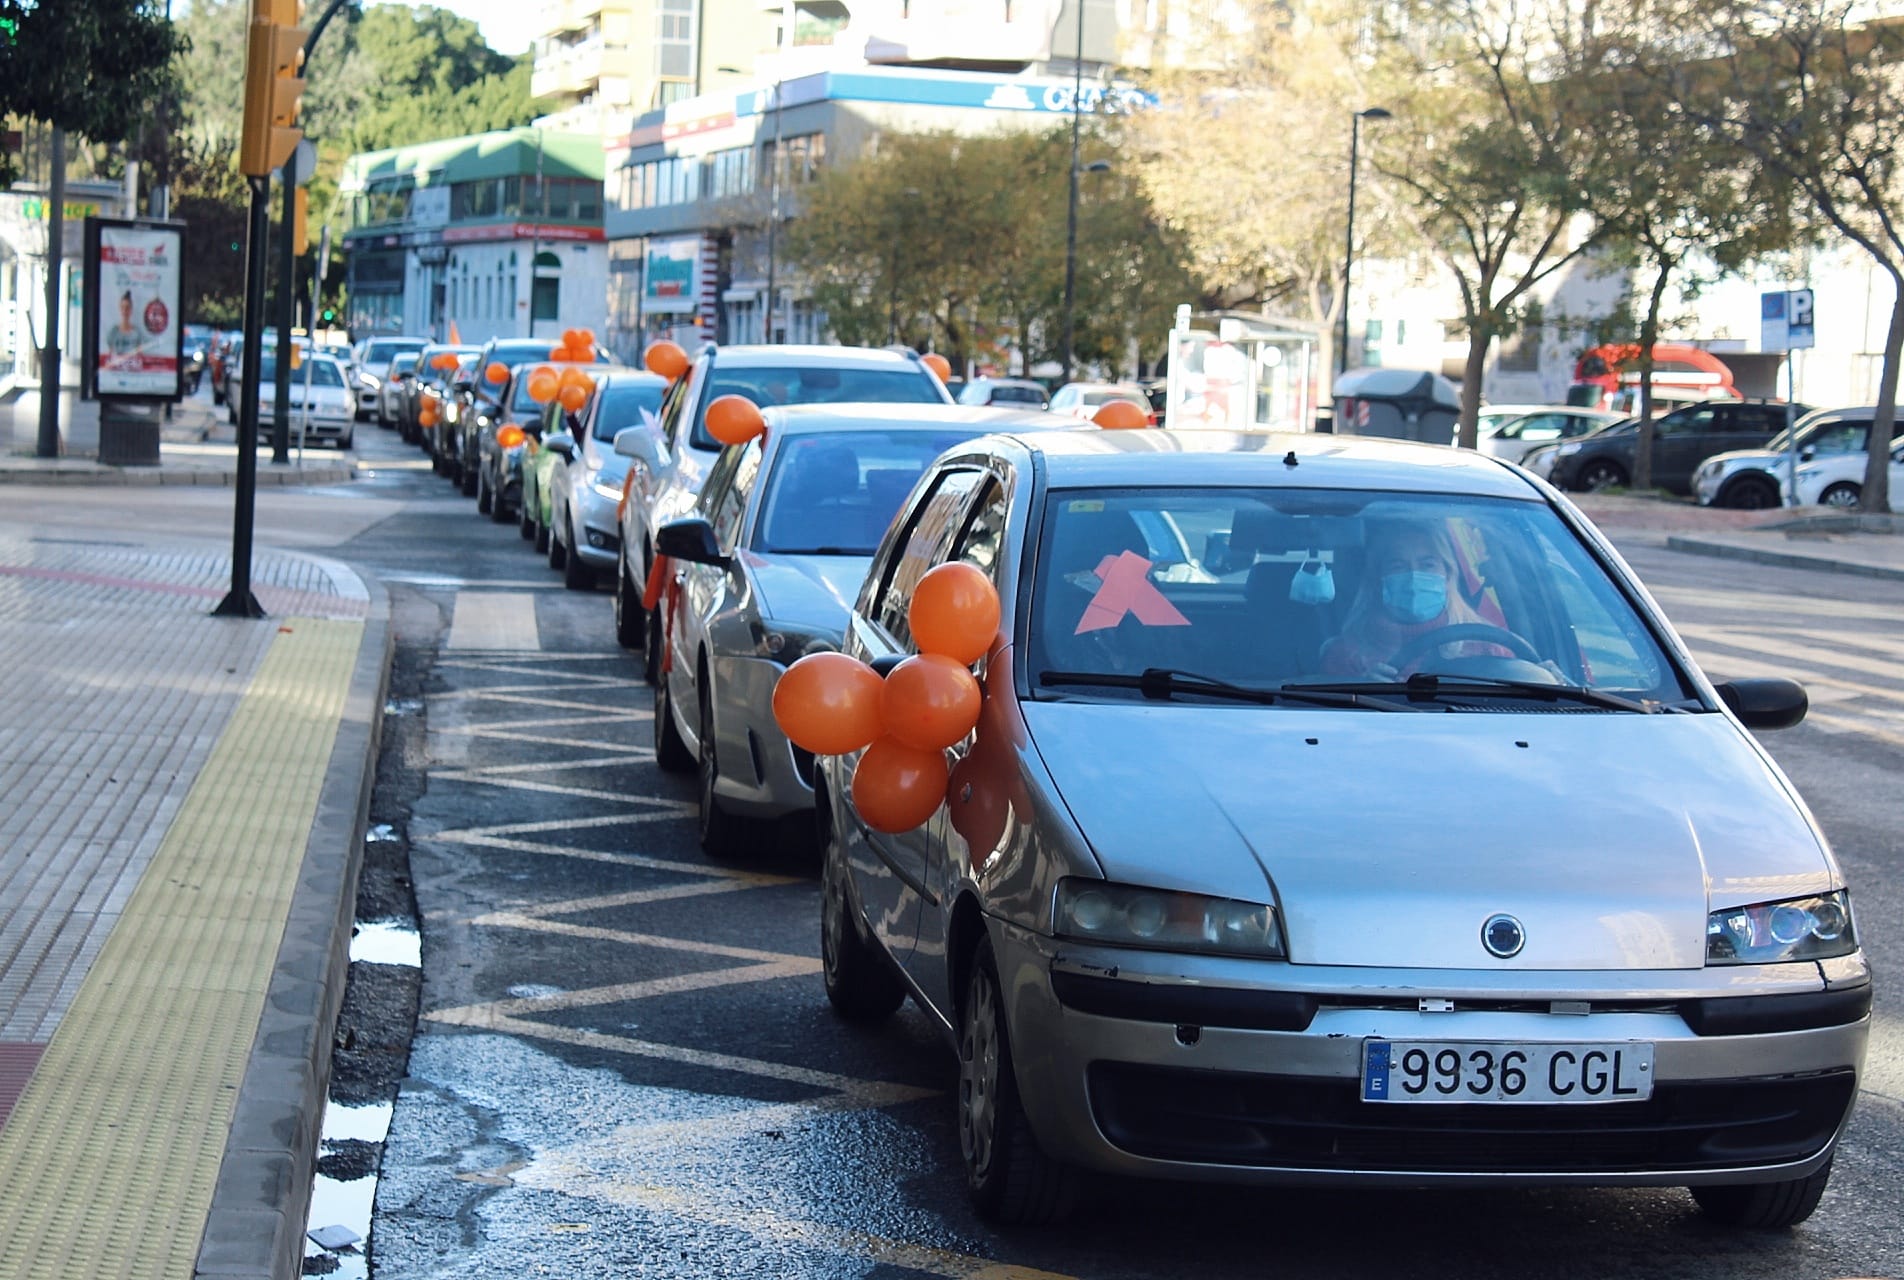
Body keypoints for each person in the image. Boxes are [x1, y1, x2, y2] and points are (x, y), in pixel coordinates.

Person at [1319, 520, 1517, 679]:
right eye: (1398, 566)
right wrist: (1364, 690)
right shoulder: (1346, 654)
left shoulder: (1487, 646)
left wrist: (1540, 677)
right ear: (1378, 580)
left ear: (1448, 574)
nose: (1414, 576)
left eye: (1427, 565)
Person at [105, 292, 143, 362]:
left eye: (127, 308)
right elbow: (110, 355)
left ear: (131, 310)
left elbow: (139, 356)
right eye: (123, 307)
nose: (125, 311)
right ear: (120, 309)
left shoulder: (137, 333)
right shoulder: (113, 332)